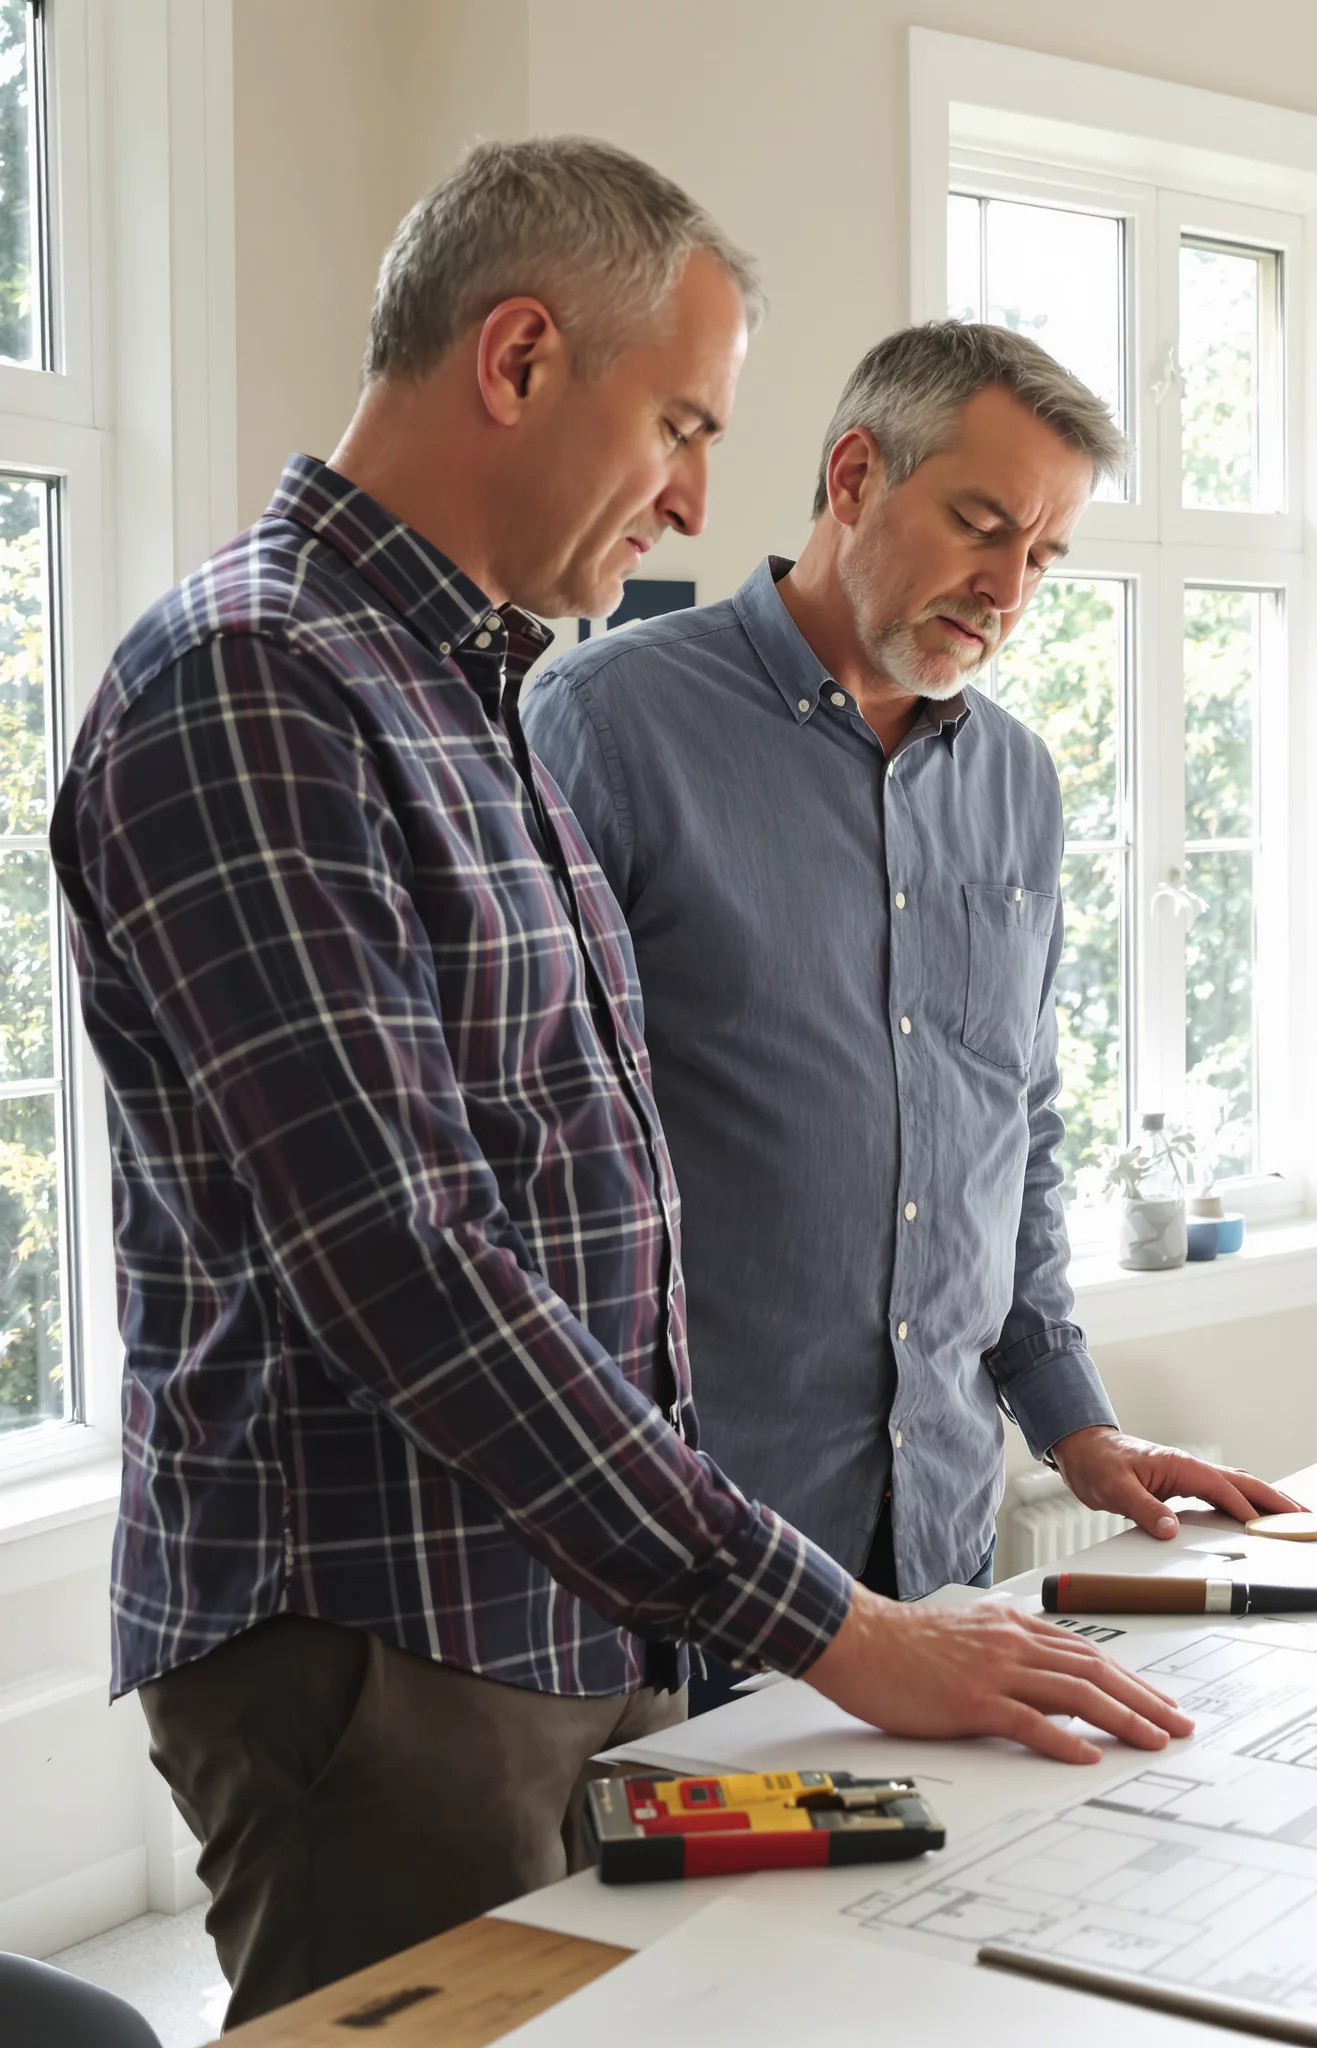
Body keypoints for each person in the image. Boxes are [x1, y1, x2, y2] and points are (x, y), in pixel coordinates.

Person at [50, 142, 1192, 2026]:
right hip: (391, 1647)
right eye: (677, 422)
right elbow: (406, 1263)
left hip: (594, 1613)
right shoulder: (258, 688)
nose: (686, 497)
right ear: (516, 360)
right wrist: (830, 1620)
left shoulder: (456, 687)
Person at [525, 320, 1300, 1711]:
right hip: (680, 1571)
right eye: (980, 524)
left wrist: (1073, 1425)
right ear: (852, 475)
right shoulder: (608, 726)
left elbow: (1016, 1125)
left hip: (936, 1538)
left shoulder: (1018, 783)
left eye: (1045, 557)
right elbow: (527, 1168)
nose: (1007, 588)